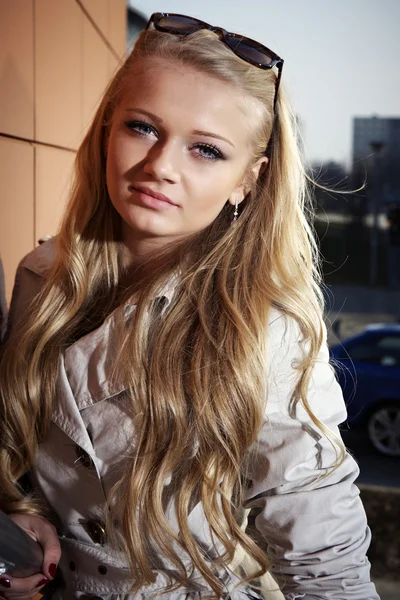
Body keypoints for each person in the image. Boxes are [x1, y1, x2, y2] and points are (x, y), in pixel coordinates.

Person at [0, 12, 379, 600]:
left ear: (247, 182)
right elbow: (25, 454)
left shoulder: (263, 328)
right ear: (107, 130)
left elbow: (322, 551)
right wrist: (23, 517)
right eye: (143, 128)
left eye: (205, 149)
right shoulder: (40, 276)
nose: (160, 168)